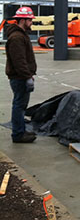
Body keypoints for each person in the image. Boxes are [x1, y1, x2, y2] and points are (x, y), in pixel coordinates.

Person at [5, 7, 37, 143]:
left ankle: (21, 130)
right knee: (19, 106)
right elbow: (19, 61)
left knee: (20, 105)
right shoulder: (17, 37)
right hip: (20, 78)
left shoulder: (21, 34)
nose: (31, 22)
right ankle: (18, 135)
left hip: (21, 77)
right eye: (30, 20)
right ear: (22, 20)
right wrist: (27, 77)